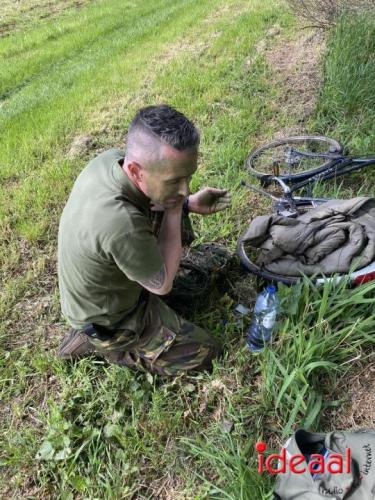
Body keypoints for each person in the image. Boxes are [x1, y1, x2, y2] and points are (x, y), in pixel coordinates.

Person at [57, 104, 231, 376]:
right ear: (137, 171)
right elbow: (161, 285)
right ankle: (106, 345)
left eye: (189, 177)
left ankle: (139, 293)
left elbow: (153, 205)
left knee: (165, 205)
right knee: (206, 353)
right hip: (112, 319)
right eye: (175, 180)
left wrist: (187, 204)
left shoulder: (112, 161)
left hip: (110, 283)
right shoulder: (119, 222)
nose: (185, 189)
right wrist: (175, 209)